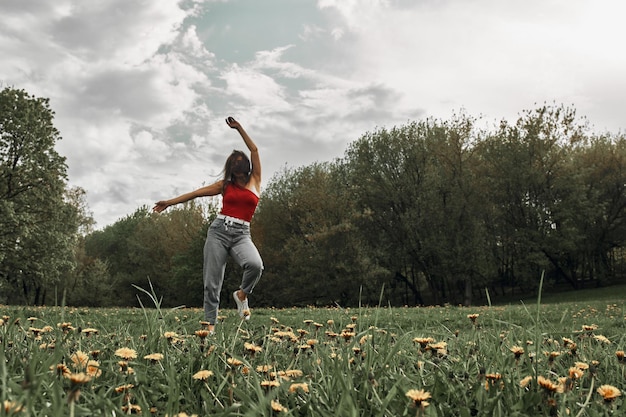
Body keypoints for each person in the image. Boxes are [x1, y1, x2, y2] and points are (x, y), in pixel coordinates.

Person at [152, 117, 263, 333]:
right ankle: (210, 326)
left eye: (240, 168)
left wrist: (239, 128)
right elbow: (195, 194)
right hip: (219, 232)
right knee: (212, 282)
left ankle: (242, 295)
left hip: (242, 234)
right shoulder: (225, 185)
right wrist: (169, 203)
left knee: (255, 265)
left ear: (246, 168)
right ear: (231, 169)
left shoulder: (255, 179)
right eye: (235, 169)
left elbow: (255, 149)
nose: (238, 174)